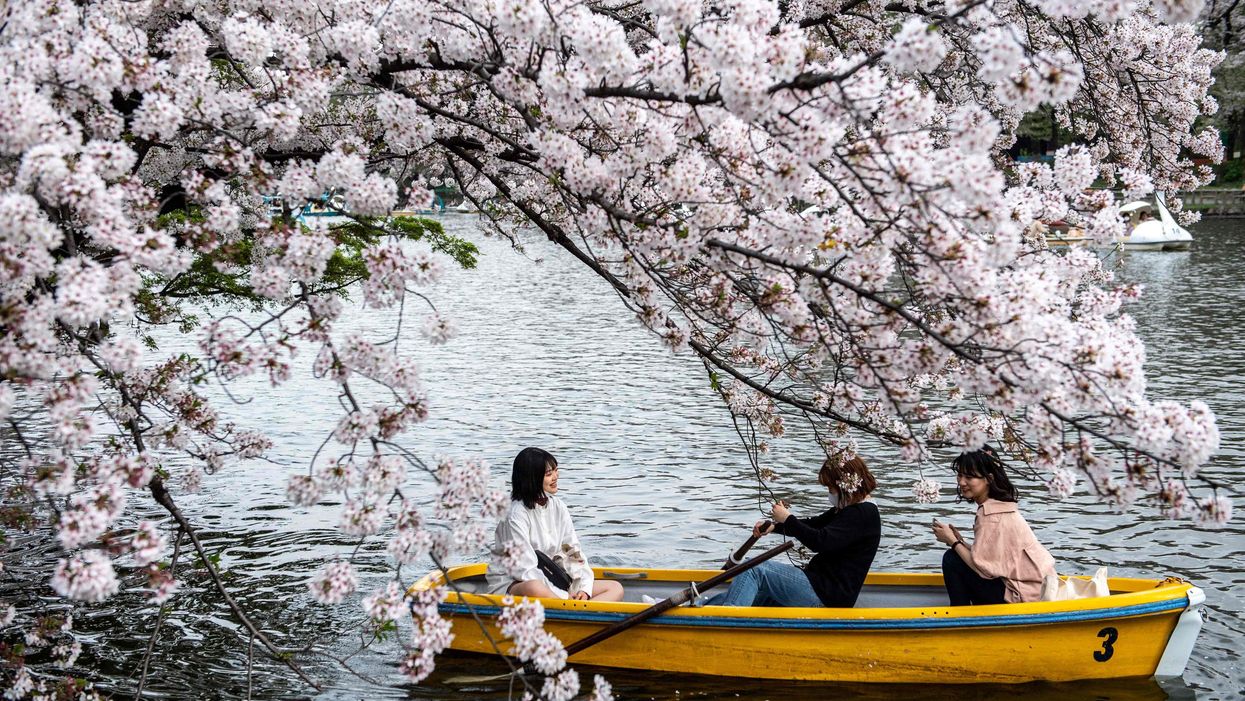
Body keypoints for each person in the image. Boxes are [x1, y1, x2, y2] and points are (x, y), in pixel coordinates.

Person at [703, 455, 881, 608]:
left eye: (831, 488)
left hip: (826, 596)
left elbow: (821, 541)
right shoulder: (848, 508)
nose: (829, 493)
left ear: (844, 485)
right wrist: (775, 527)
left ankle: (726, 624)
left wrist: (788, 519)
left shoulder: (863, 514)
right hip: (815, 584)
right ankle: (701, 614)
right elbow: (815, 525)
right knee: (755, 592)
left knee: (753, 568)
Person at [486, 447, 624, 601]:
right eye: (548, 474)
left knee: (615, 588)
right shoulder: (516, 515)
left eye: (556, 471)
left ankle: (579, 613)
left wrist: (584, 589)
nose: (555, 477)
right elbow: (524, 570)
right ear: (532, 478)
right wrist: (564, 597)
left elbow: (572, 551)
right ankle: (576, 612)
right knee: (534, 587)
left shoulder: (558, 506)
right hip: (514, 582)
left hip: (552, 579)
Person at [931, 446, 1056, 606]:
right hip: (1035, 589)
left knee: (952, 559)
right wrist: (959, 542)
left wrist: (953, 542)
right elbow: (992, 558)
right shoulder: (1001, 506)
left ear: (988, 479)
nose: (962, 482)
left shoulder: (990, 516)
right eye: (960, 475)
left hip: (1021, 596)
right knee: (956, 554)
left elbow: (984, 570)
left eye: (969, 477)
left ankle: (958, 618)